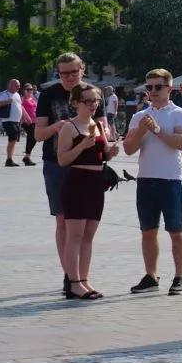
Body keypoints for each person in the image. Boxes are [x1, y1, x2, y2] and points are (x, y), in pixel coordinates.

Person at [125, 69, 182, 295]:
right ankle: (151, 276)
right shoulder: (139, 116)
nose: (153, 92)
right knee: (148, 231)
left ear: (169, 89)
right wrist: (141, 131)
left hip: (171, 180)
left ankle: (179, 277)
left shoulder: (181, 114)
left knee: (176, 230)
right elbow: (128, 149)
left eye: (158, 87)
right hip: (145, 179)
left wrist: (156, 130)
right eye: (149, 87)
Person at [37, 53, 94, 295]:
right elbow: (39, 134)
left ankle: (80, 276)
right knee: (63, 220)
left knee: (86, 224)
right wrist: (55, 127)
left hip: (88, 166)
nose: (69, 77)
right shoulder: (49, 95)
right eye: (63, 73)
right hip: (56, 165)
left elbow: (101, 127)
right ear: (58, 74)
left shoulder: (91, 93)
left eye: (73, 71)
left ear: (82, 70)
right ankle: (69, 276)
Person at [57, 83, 120, 300]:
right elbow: (62, 159)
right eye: (87, 101)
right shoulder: (69, 127)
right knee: (74, 235)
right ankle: (73, 283)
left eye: (95, 101)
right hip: (77, 182)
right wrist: (81, 146)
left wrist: (110, 152)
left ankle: (84, 280)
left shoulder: (98, 125)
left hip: (96, 183)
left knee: (88, 237)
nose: (93, 105)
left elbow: (101, 156)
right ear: (75, 103)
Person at [1, 78, 23, 167]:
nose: (18, 87)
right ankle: (9, 159)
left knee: (14, 140)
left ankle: (10, 159)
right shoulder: (5, 94)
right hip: (8, 120)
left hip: (16, 121)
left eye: (19, 86)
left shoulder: (17, 95)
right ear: (10, 85)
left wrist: (25, 117)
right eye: (16, 85)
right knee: (13, 138)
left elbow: (20, 106)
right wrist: (7, 102)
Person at [18, 83, 37, 166]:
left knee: (32, 138)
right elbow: (20, 108)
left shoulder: (32, 99)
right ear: (24, 90)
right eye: (28, 89)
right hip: (26, 121)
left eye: (31, 89)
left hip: (35, 121)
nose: (30, 91)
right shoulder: (22, 99)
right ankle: (27, 157)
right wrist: (25, 117)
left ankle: (27, 157)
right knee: (33, 136)